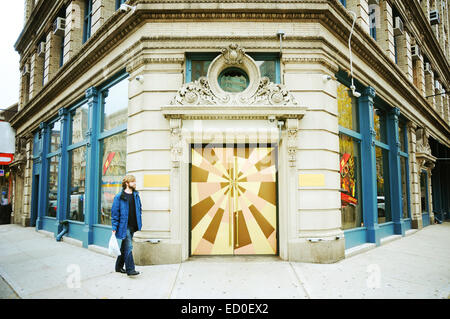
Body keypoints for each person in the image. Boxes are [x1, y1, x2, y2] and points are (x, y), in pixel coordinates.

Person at [111, 175, 142, 276]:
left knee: (124, 247)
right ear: (127, 183)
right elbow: (115, 214)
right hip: (124, 226)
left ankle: (118, 266)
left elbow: (139, 208)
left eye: (135, 181)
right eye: (133, 182)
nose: (135, 183)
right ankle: (130, 269)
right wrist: (114, 228)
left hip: (133, 225)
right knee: (129, 246)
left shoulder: (136, 195)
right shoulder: (119, 197)